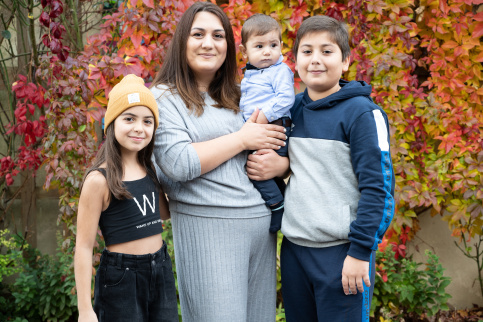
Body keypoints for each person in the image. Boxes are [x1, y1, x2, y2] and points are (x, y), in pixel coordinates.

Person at [249, 16, 395, 321]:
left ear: (345, 61)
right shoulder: (292, 110)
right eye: (307, 51)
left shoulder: (363, 114)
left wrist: (360, 252)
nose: (316, 60)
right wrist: (282, 165)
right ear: (296, 61)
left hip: (342, 254)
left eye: (327, 51)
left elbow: (378, 190)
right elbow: (298, 166)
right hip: (294, 252)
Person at [149, 2, 288, 322]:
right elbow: (179, 163)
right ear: (182, 41)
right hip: (208, 230)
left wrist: (283, 166)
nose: (208, 42)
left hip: (261, 231)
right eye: (198, 34)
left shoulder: (240, 95)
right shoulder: (163, 97)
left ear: (229, 45)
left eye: (218, 35)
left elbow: (283, 139)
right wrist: (242, 139)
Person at [75, 74, 178, 322]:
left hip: (160, 268)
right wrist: (85, 309)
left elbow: (164, 213)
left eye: (147, 121)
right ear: (111, 123)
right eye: (129, 119)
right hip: (121, 278)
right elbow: (84, 246)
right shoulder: (99, 180)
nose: (139, 128)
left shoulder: (150, 170)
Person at [239, 13, 295, 233]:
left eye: (273, 45)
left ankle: (277, 206)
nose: (267, 51)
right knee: (263, 169)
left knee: (255, 168)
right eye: (259, 46)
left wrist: (262, 117)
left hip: (274, 128)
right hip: (259, 129)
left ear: (281, 46)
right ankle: (280, 197)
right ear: (245, 51)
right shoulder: (251, 75)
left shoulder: (279, 71)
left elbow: (285, 99)